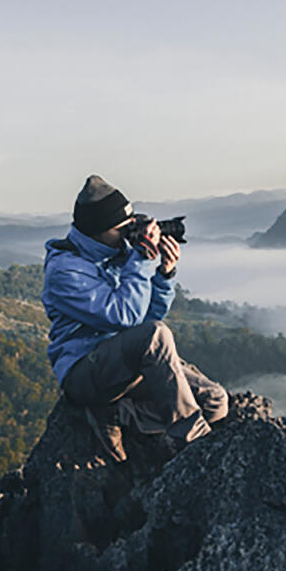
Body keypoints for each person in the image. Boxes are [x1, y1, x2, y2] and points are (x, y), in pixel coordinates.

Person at [41, 175, 228, 462]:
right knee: (157, 335)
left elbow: (145, 320)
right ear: (97, 230)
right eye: (122, 229)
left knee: (215, 402)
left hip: (124, 366)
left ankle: (120, 415)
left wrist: (165, 275)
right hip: (85, 372)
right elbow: (126, 318)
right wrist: (139, 260)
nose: (129, 234)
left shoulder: (117, 254)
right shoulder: (65, 271)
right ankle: (193, 444)